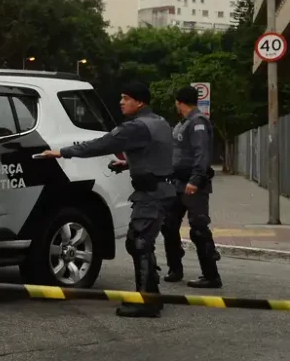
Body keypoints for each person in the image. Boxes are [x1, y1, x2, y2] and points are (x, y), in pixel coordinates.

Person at [39, 82, 175, 318]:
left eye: (126, 97)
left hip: (151, 193)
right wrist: (127, 163)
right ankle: (152, 295)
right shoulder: (159, 122)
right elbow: (155, 152)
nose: (121, 102)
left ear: (139, 102)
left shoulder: (135, 127)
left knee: (139, 242)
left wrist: (62, 152)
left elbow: (102, 144)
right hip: (160, 189)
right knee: (141, 241)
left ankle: (146, 302)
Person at [161, 86, 222, 288]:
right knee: (169, 225)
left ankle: (211, 276)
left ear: (179, 102)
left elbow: (201, 154)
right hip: (178, 183)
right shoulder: (182, 124)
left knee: (198, 229)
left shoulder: (198, 123)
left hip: (193, 185)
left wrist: (195, 180)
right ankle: (175, 269)